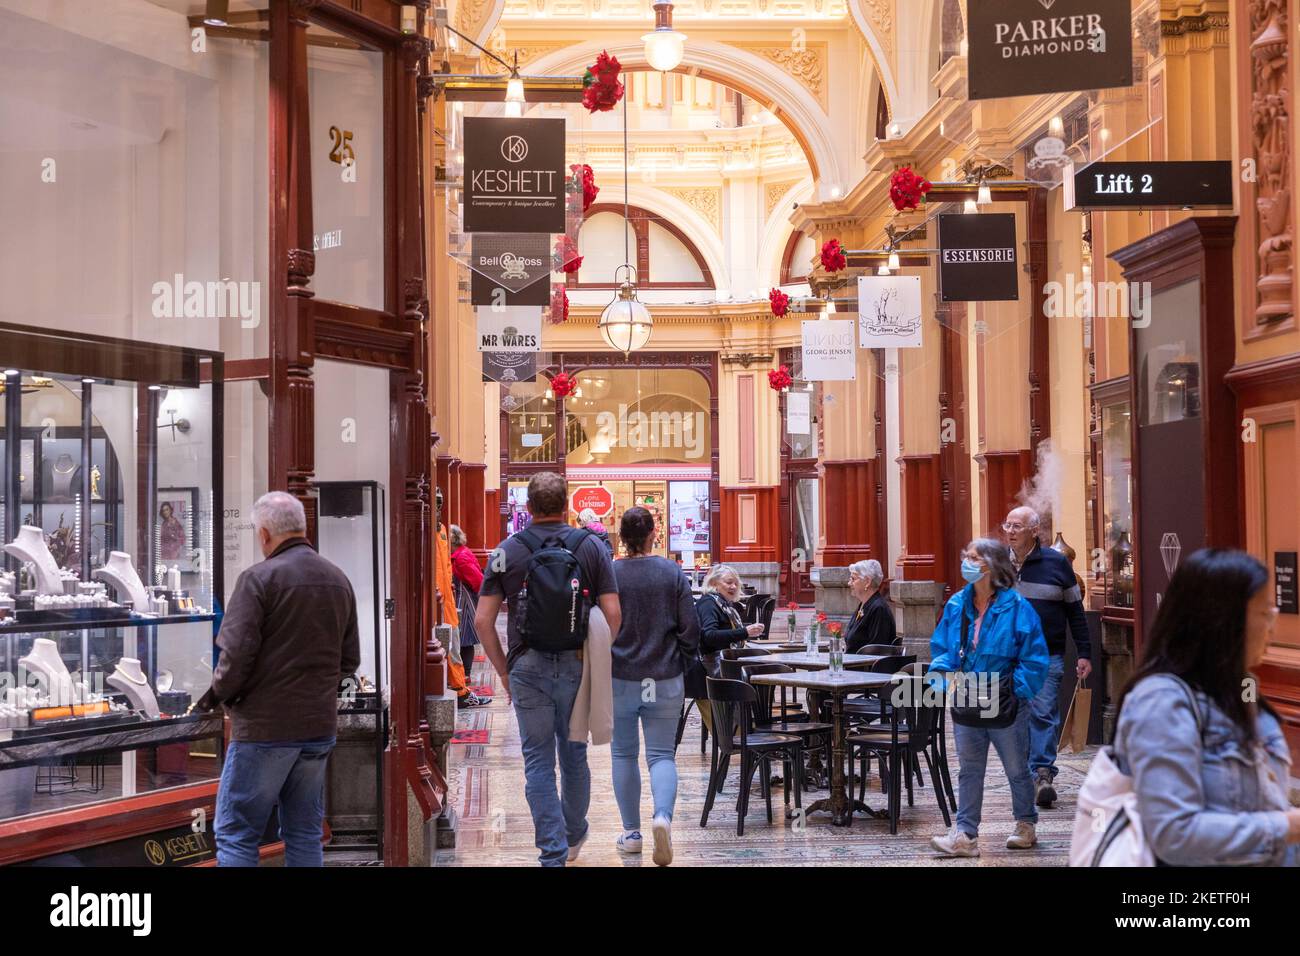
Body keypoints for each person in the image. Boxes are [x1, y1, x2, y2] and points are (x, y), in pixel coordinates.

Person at [1112, 549, 1300, 866]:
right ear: (1223, 619)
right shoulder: (1161, 701)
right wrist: (1286, 826)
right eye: (1264, 613)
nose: (1272, 627)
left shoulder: (1241, 690)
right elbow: (1174, 833)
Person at [475, 472, 621, 867]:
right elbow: (613, 613)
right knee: (574, 755)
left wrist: (504, 670)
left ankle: (552, 854)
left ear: (528, 508)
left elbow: (482, 621)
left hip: (526, 666)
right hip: (577, 664)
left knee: (538, 761)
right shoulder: (591, 547)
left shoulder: (506, 550)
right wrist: (595, 657)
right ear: (567, 504)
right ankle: (574, 834)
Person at [207, 492, 360, 867]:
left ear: (263, 534)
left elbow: (236, 656)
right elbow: (349, 660)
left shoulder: (258, 579)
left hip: (264, 730)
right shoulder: (337, 579)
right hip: (318, 729)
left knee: (237, 832)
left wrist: (220, 698)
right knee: (305, 831)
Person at [929, 538, 1049, 858]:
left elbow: (1035, 657)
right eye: (966, 556)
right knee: (969, 768)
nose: (966, 562)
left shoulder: (1017, 606)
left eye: (973, 557)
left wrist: (1016, 690)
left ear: (991, 565)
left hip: (1005, 698)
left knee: (1016, 767)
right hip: (968, 694)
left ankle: (1025, 824)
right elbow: (942, 649)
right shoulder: (956, 604)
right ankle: (965, 834)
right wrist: (948, 684)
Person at [609, 507, 699, 865]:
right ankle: (662, 816)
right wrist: (681, 658)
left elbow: (598, 622)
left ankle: (632, 834)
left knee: (623, 754)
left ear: (622, 537)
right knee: (661, 755)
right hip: (664, 677)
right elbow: (690, 628)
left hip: (621, 676)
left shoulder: (611, 574)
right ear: (652, 534)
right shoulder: (671, 572)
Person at [1003, 505, 1093, 809]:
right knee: (1014, 716)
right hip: (1006, 658)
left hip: (1046, 655)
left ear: (1035, 531)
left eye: (1018, 526)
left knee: (1043, 714)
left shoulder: (1057, 564)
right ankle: (1024, 774)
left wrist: (1085, 652)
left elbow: (1075, 611)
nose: (1011, 532)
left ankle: (1042, 775)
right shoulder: (999, 564)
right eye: (1008, 526)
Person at [688, 565, 765, 736]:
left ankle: (753, 732)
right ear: (714, 583)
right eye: (729, 583)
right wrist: (744, 632)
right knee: (754, 684)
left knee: (758, 682)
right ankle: (744, 737)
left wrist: (745, 631)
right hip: (708, 674)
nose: (733, 587)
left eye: (736, 583)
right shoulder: (709, 603)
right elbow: (709, 636)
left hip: (722, 668)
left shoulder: (724, 604)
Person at [449, 524, 489, 707]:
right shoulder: (460, 554)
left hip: (464, 602)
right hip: (461, 600)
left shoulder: (461, 558)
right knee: (464, 637)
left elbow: (478, 581)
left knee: (464, 637)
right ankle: (464, 674)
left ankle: (464, 674)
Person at [844, 559, 896, 653]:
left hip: (863, 666)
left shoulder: (878, 608)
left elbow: (877, 649)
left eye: (853, 579)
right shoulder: (863, 605)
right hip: (853, 664)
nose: (849, 583)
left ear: (867, 582)